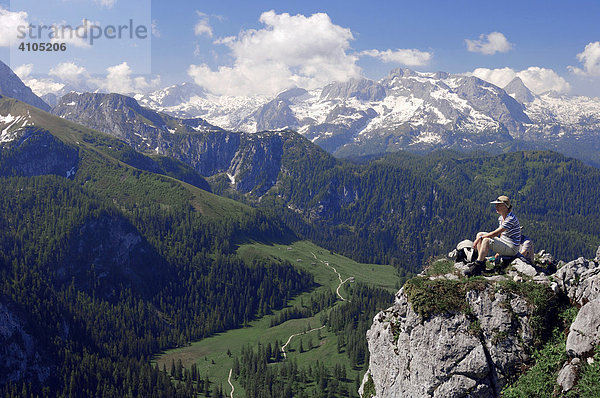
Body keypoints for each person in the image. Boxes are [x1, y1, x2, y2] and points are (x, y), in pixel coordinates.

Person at [468, 195, 521, 276]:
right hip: (505, 243)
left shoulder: (510, 219)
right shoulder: (501, 218)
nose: (496, 207)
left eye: (499, 205)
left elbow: (496, 233)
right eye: (496, 205)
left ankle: (477, 266)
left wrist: (480, 239)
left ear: (505, 206)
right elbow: (500, 234)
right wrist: (480, 237)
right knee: (480, 234)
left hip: (512, 248)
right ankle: (481, 262)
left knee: (486, 240)